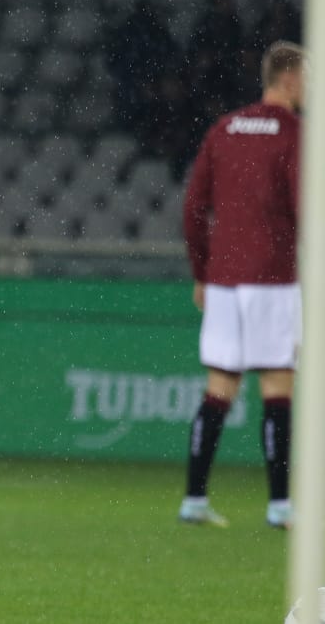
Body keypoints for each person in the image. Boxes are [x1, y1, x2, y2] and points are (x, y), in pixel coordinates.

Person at [178, 41, 303, 530]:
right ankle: (280, 506)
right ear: (289, 79)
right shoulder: (295, 133)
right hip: (272, 276)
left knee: (219, 388)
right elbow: (305, 206)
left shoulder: (224, 129)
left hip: (224, 279)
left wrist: (201, 271)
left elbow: (193, 209)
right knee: (276, 385)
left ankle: (193, 498)